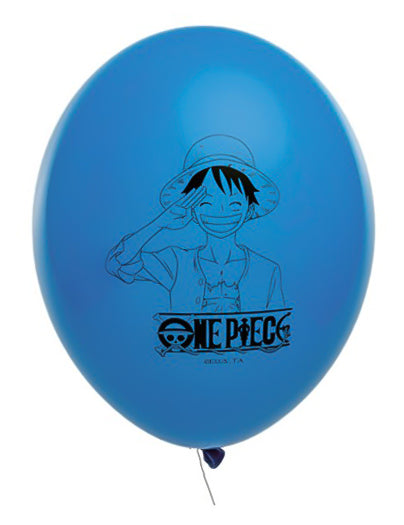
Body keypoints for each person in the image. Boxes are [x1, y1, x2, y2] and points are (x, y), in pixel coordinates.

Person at [106, 135, 285, 313]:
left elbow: (280, 322)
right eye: (206, 203)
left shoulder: (268, 270)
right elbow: (118, 262)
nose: (221, 212)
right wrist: (161, 222)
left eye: (235, 204)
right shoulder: (177, 262)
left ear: (250, 210)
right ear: (192, 210)